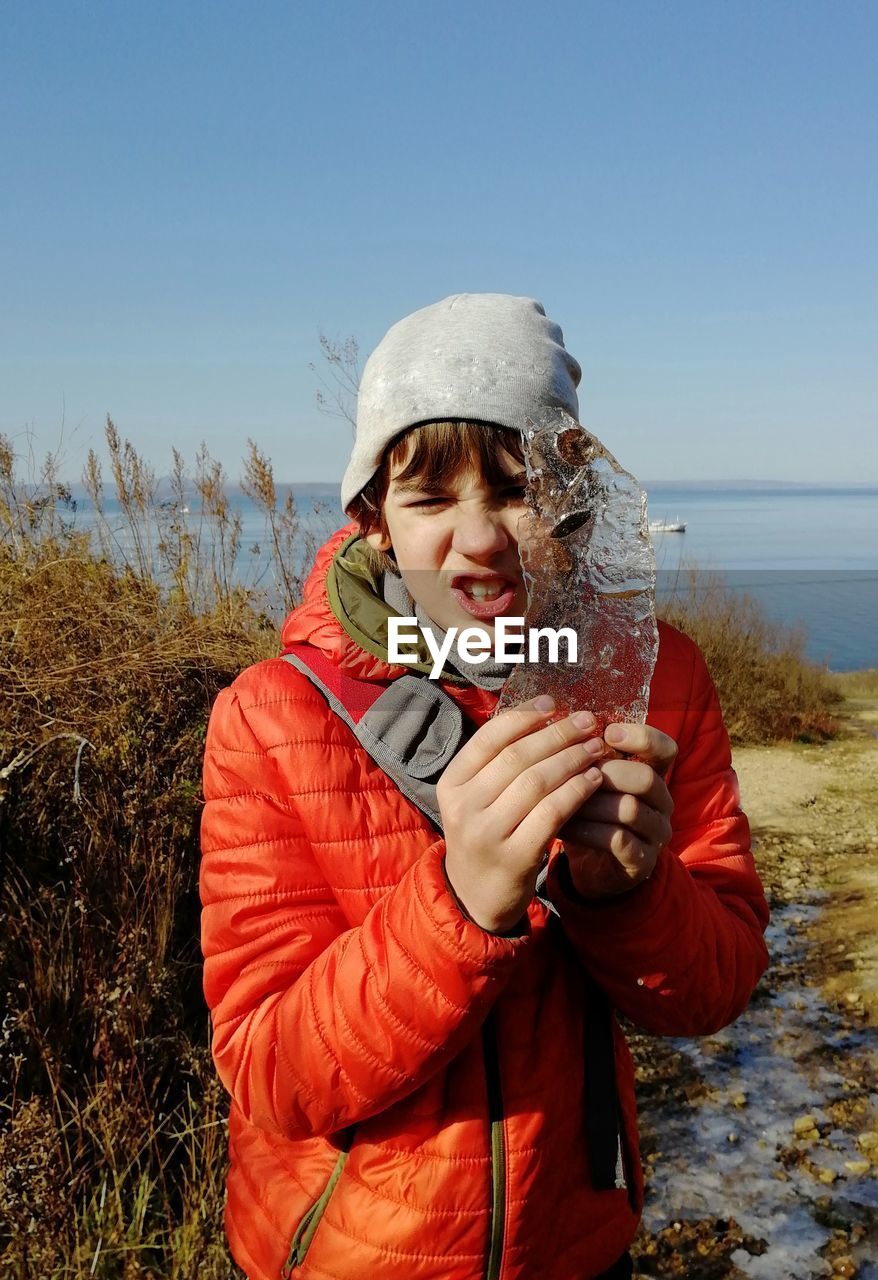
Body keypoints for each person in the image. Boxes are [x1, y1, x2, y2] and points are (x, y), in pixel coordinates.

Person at [199, 293, 769, 1280]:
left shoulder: (658, 678)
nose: (479, 540)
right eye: (428, 500)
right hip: (339, 1254)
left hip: (574, 1244)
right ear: (373, 520)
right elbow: (269, 1071)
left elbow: (715, 984)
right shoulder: (271, 716)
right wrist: (457, 904)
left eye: (516, 488)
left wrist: (627, 895)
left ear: (573, 495)